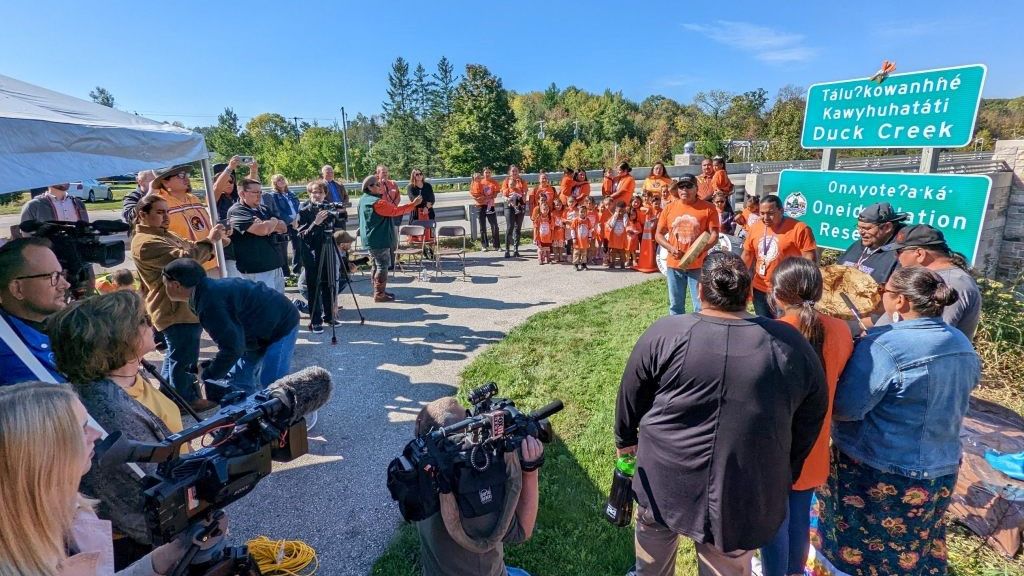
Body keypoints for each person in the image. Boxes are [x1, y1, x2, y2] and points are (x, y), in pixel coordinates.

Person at [615, 252, 827, 576]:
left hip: (664, 477)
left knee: (651, 563)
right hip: (741, 485)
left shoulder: (666, 332)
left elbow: (630, 396)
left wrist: (625, 441)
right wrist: (786, 464)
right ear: (748, 294)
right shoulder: (788, 344)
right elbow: (813, 412)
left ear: (700, 292)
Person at [816, 267, 981, 576]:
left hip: (878, 471)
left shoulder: (883, 347)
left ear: (901, 302)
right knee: (914, 550)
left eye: (885, 292)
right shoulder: (961, 342)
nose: (881, 298)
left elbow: (847, 408)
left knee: (861, 552)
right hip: (940, 466)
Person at [0, 382, 210, 575]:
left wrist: (166, 556)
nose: (95, 434)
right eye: (82, 429)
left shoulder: (69, 509)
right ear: (45, 452)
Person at [48, 291, 189, 565]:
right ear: (118, 340)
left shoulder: (127, 376)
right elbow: (145, 486)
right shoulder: (107, 410)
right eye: (141, 320)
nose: (150, 323)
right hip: (144, 545)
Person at [760, 258, 853, 576]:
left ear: (777, 293)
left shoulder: (771, 331)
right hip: (814, 444)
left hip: (773, 445)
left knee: (773, 523)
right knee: (799, 520)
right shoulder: (841, 330)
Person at [413, 397, 544, 576]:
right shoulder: (474, 501)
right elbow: (521, 531)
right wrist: (530, 470)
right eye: (469, 418)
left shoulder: (417, 474)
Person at [130, 195, 227, 411]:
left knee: (177, 355)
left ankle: (168, 398)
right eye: (159, 212)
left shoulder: (163, 235)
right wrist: (209, 241)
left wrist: (211, 243)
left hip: (181, 304)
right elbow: (186, 260)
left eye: (167, 211)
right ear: (142, 215)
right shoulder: (146, 243)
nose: (166, 217)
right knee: (183, 356)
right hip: (172, 306)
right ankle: (187, 401)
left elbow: (190, 246)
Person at [162, 258, 299, 394]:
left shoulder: (209, 302)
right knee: (239, 381)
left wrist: (208, 374)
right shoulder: (205, 291)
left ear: (176, 285)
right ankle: (247, 412)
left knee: (273, 385)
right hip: (256, 329)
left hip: (281, 324)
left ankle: (285, 413)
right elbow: (233, 342)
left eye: (164, 284)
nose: (164, 289)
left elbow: (232, 348)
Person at [0, 238, 70, 385]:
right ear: (17, 289)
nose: (65, 284)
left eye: (61, 274)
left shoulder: (64, 326)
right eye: (53, 277)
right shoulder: (9, 357)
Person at [741, 195, 817, 317]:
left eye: (770, 213)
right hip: (760, 289)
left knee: (784, 328)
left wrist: (803, 289)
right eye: (762, 213)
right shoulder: (756, 227)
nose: (765, 218)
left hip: (786, 290)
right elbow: (747, 254)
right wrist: (738, 276)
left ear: (781, 211)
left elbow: (809, 260)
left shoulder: (799, 229)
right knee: (765, 328)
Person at [656, 175, 720, 315]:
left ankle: (698, 333)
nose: (684, 189)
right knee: (675, 306)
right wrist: (671, 249)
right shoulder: (669, 208)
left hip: (698, 265)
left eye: (688, 186)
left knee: (700, 305)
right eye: (681, 186)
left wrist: (697, 251)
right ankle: (678, 333)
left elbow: (714, 235)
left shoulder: (708, 208)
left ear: (696, 188)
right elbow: (658, 235)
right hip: (674, 265)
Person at [358, 174, 423, 302]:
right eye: (377, 184)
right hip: (378, 239)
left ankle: (377, 291)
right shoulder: (377, 203)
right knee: (382, 265)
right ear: (370, 188)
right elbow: (395, 210)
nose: (380, 186)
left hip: (370, 238)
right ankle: (379, 294)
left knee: (376, 265)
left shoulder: (363, 199)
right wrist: (413, 204)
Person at [150, 164, 220, 273]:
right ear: (165, 181)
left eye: (186, 174)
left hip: (211, 261)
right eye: (181, 175)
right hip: (185, 268)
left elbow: (204, 226)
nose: (187, 178)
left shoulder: (194, 199)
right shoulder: (159, 204)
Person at [226, 178, 288, 293]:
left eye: (260, 192)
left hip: (275, 265)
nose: (259, 195)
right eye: (255, 192)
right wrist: (273, 222)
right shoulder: (238, 211)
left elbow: (283, 227)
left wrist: (268, 224)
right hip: (257, 270)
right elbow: (262, 230)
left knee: (278, 305)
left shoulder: (264, 208)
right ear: (242, 193)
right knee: (264, 307)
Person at [298, 180, 340, 333]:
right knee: (314, 287)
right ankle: (315, 320)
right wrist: (315, 223)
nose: (317, 195)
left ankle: (329, 316)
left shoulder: (328, 207)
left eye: (320, 192)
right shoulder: (304, 209)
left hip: (327, 249)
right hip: (312, 254)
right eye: (314, 192)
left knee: (329, 283)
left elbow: (336, 224)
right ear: (309, 193)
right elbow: (303, 235)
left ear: (325, 194)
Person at [837, 202, 906, 285]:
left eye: (866, 228)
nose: (861, 232)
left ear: (887, 227)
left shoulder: (900, 255)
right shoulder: (857, 246)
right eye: (859, 227)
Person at [263, 174, 302, 277]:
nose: (281, 181)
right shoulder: (273, 195)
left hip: (297, 223)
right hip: (285, 224)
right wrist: (290, 221)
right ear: (275, 183)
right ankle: (286, 274)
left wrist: (297, 219)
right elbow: (278, 211)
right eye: (278, 180)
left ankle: (297, 270)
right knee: (283, 249)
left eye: (282, 179)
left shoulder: (291, 193)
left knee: (298, 247)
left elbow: (298, 207)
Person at [20, 181, 90, 224]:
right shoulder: (33, 206)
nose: (64, 179)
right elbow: (27, 237)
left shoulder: (78, 203)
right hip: (48, 247)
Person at [470, 168, 501, 251]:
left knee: (494, 226)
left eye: (489, 172)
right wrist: (478, 198)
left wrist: (489, 197)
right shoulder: (479, 181)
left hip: (490, 205)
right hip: (480, 206)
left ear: (491, 173)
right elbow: (472, 193)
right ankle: (484, 245)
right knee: (482, 226)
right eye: (486, 172)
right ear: (483, 173)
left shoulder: (494, 182)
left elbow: (496, 193)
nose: (487, 174)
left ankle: (496, 245)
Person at [503, 165, 529, 258]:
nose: (514, 173)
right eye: (513, 171)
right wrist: (508, 198)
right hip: (509, 206)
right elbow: (504, 194)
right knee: (510, 227)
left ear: (518, 172)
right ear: (509, 172)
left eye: (516, 171)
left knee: (518, 228)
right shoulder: (506, 181)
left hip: (520, 205)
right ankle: (507, 249)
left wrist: (522, 201)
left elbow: (525, 192)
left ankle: (516, 249)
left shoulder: (522, 181)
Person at [568, 202, 594, 271]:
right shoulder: (576, 220)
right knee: (576, 252)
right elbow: (572, 230)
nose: (583, 213)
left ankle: (584, 264)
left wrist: (589, 237)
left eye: (584, 212)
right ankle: (575, 264)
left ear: (586, 213)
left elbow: (590, 230)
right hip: (577, 240)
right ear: (578, 212)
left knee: (584, 253)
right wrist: (573, 238)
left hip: (585, 241)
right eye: (581, 212)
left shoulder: (588, 220)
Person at [605, 201, 630, 269]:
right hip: (614, 237)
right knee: (614, 251)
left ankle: (622, 264)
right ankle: (612, 263)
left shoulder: (625, 217)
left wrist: (625, 215)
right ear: (616, 210)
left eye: (622, 211)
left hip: (622, 238)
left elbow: (625, 225)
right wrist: (615, 216)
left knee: (622, 251)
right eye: (619, 211)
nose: (620, 213)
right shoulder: (614, 216)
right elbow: (611, 225)